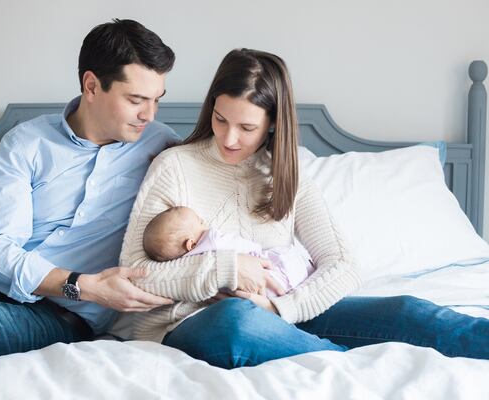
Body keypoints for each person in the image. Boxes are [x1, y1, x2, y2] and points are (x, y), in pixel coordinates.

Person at [119, 48, 489, 369]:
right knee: (236, 323)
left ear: (273, 124)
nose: (229, 137)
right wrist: (226, 267)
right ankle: (355, 367)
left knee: (409, 312)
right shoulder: (174, 167)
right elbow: (134, 275)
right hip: (195, 323)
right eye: (220, 119)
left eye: (246, 127)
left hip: (281, 315)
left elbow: (343, 265)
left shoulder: (285, 175)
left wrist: (280, 310)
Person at [0, 19, 179, 359]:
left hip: (56, 316)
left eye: (157, 99)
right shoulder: (26, 142)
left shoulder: (164, 149)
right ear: (91, 85)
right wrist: (85, 283)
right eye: (135, 99)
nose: (149, 114)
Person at [142, 205, 314, 297]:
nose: (205, 223)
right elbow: (246, 248)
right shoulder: (213, 240)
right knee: (287, 261)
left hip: (246, 293)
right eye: (200, 221)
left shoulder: (186, 261)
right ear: (191, 244)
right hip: (264, 276)